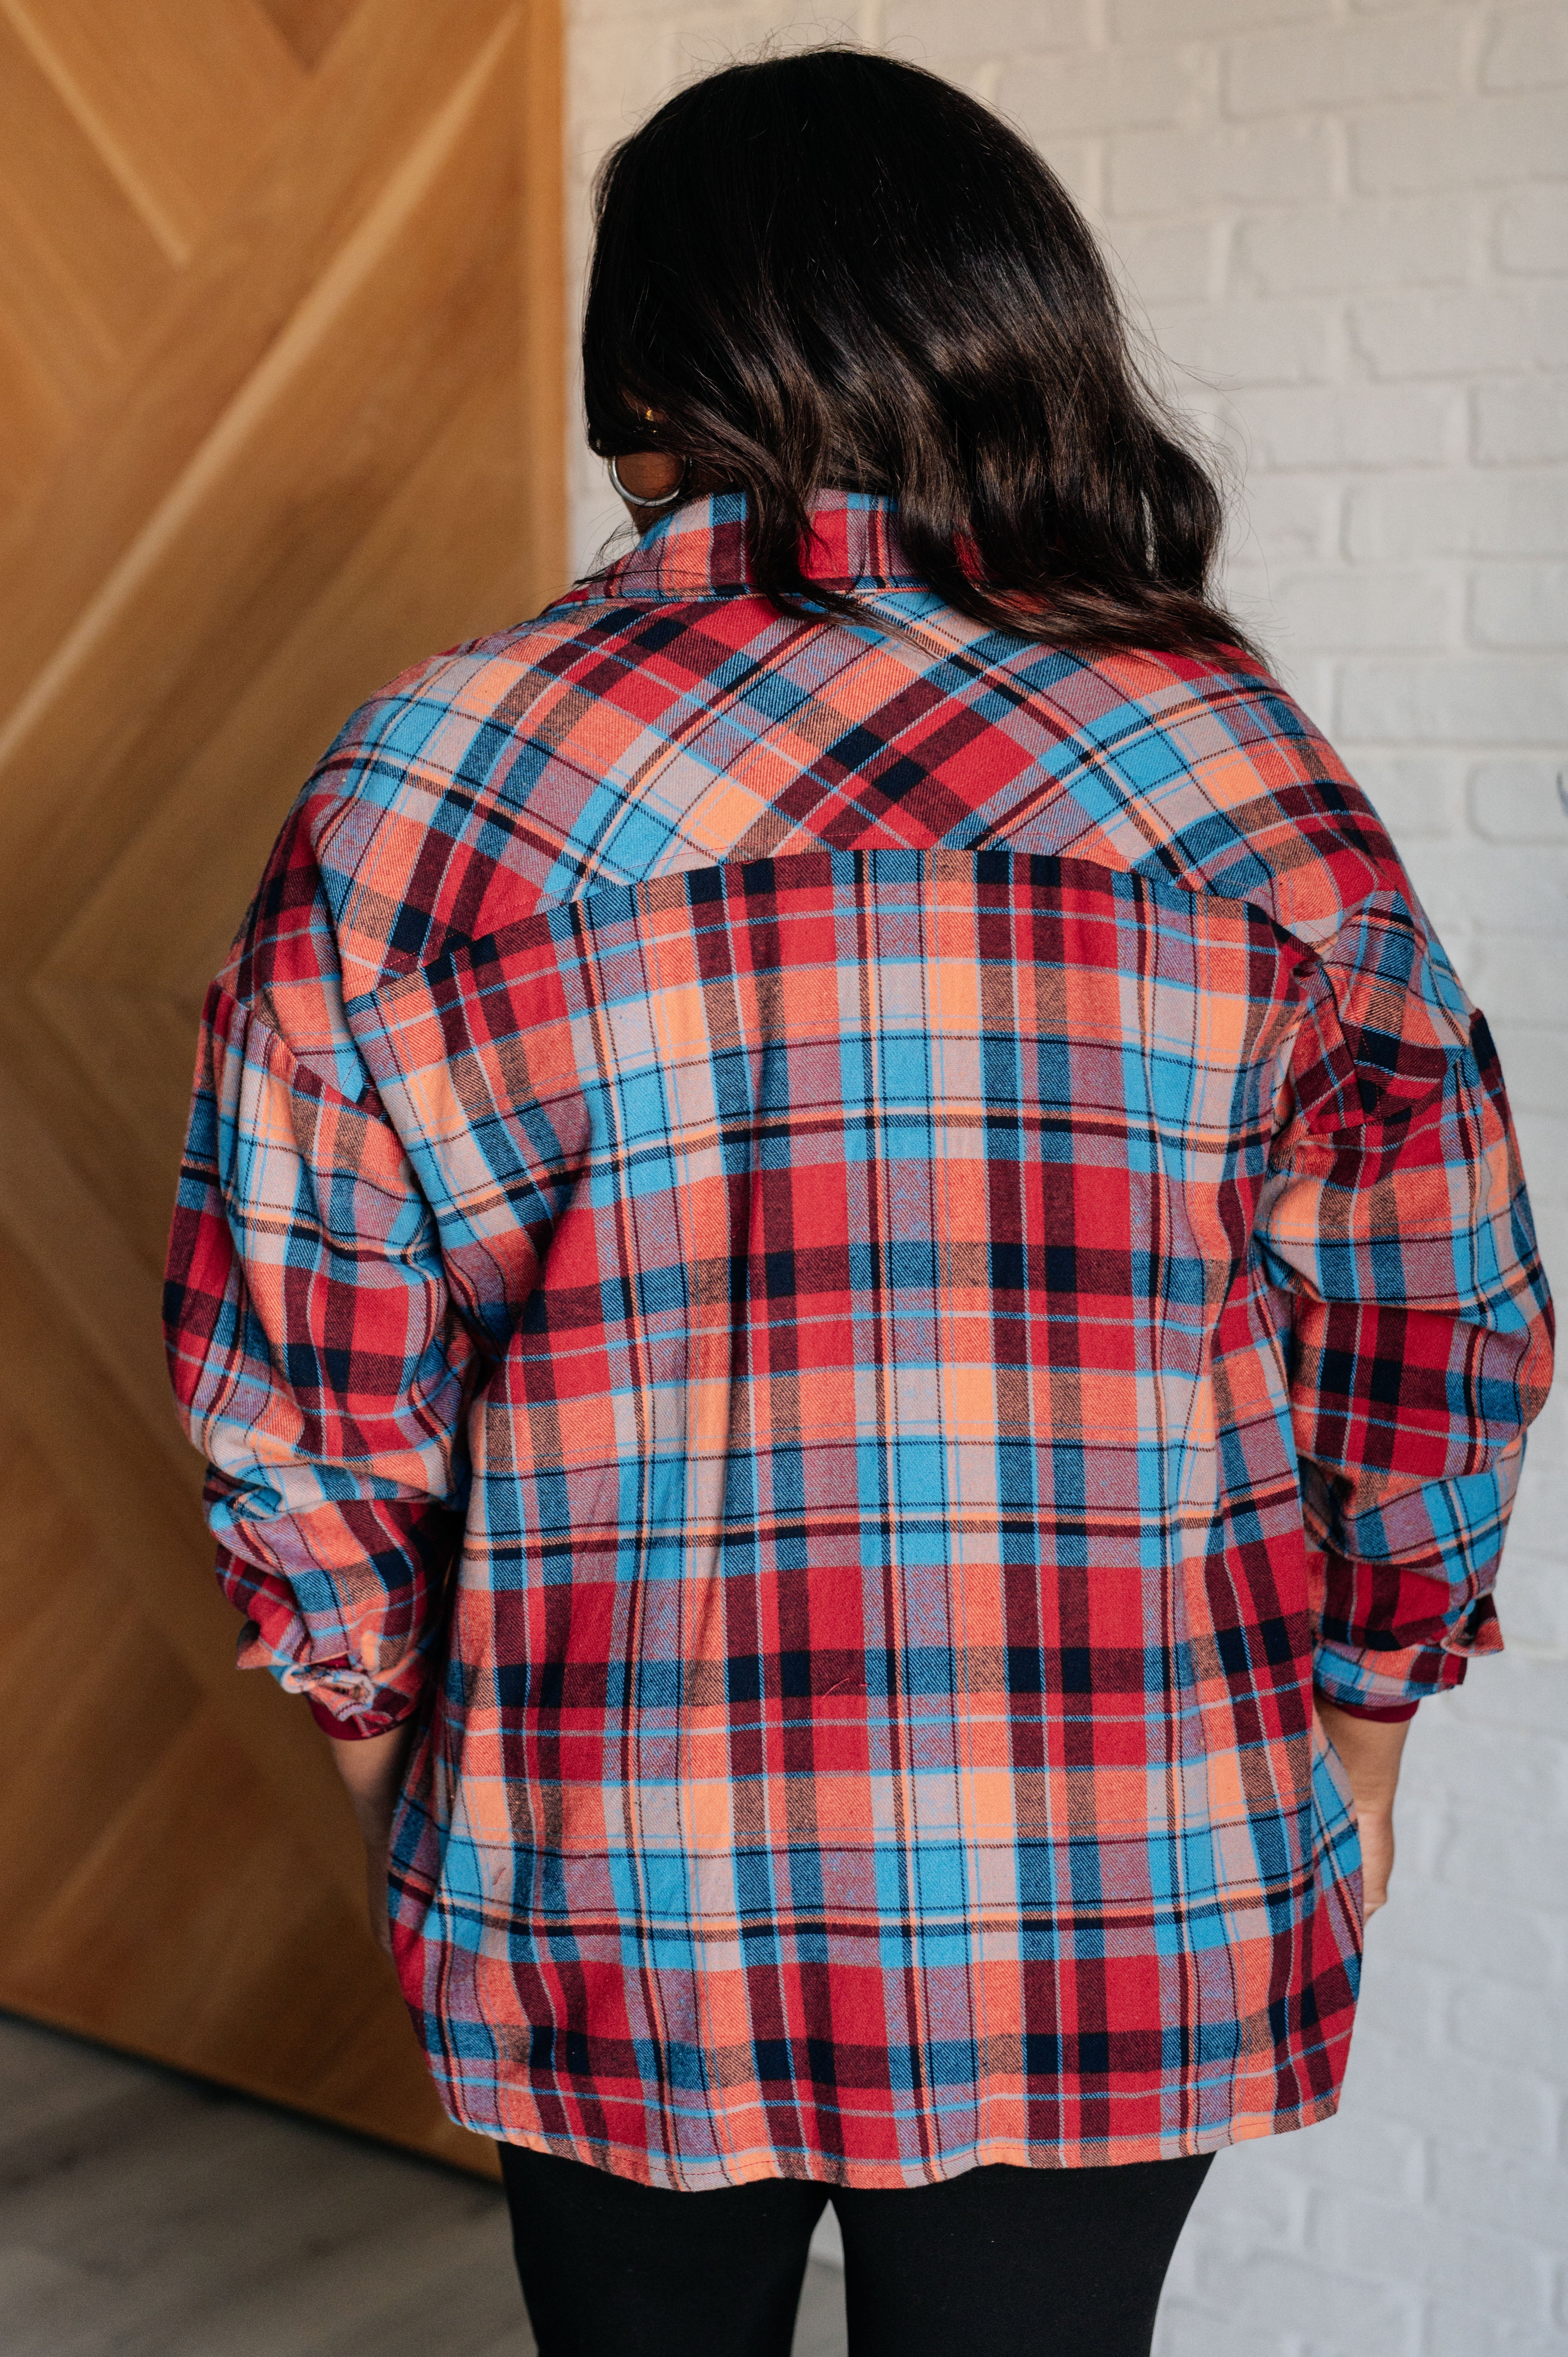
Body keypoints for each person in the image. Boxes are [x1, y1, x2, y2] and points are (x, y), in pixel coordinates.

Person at [163, 46, 1553, 2357]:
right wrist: (1364, 1723)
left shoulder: (428, 776)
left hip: (609, 1864)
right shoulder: (1232, 771)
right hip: (1120, 1849)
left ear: (642, 381)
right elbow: (1435, 1333)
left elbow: (295, 1403)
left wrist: (418, 1771)